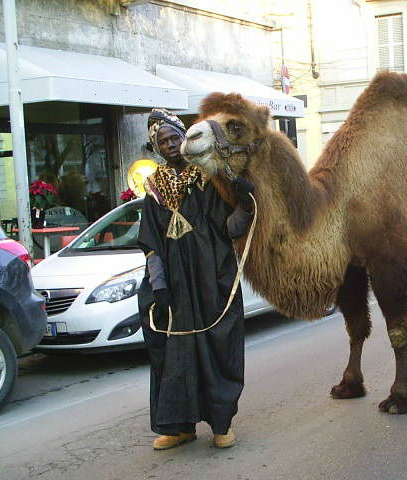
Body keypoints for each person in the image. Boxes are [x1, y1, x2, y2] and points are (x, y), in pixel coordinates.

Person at [137, 109, 255, 451]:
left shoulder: (208, 180)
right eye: (164, 142)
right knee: (173, 356)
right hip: (174, 287)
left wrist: (246, 203)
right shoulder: (153, 192)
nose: (171, 145)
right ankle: (180, 427)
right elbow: (151, 244)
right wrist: (159, 286)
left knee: (216, 349)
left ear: (184, 140)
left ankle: (221, 425)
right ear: (157, 148)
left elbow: (230, 227)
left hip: (210, 280)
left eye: (175, 138)